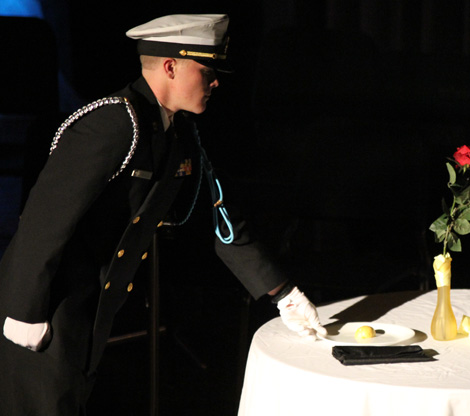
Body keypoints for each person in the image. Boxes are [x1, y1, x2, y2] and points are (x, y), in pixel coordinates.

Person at [0, 14, 326, 416]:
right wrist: (25, 312)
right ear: (171, 67)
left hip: (91, 313)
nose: (216, 82)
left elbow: (219, 220)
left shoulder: (177, 133)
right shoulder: (114, 123)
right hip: (48, 307)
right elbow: (42, 222)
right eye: (207, 71)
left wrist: (283, 294)